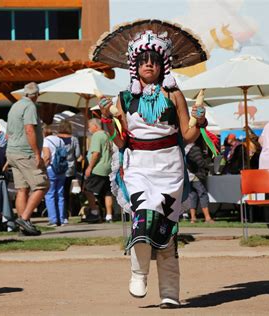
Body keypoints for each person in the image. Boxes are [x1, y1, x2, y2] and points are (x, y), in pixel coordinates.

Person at [95, 28, 207, 308]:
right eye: (143, 59)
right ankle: (138, 273)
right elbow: (120, 141)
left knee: (167, 230)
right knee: (143, 218)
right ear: (135, 64)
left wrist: (200, 122)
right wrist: (108, 122)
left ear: (163, 64)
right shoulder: (122, 98)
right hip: (138, 167)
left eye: (154, 60)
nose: (149, 64)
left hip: (169, 167)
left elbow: (188, 135)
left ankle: (170, 293)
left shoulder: (175, 95)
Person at [6, 82, 49, 236]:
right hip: (25, 152)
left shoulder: (15, 106)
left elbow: (8, 132)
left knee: (22, 189)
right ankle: (24, 219)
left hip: (12, 151)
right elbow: (29, 129)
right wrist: (37, 154)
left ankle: (23, 225)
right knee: (42, 185)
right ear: (36, 95)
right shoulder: (30, 106)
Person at [84, 118, 114, 223]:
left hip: (98, 168)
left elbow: (96, 153)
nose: (89, 129)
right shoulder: (107, 134)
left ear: (95, 126)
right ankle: (109, 215)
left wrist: (90, 167)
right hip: (108, 167)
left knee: (87, 189)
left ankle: (94, 212)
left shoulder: (97, 135)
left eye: (89, 126)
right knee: (107, 192)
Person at [42, 126, 67, 226]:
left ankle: (53, 219)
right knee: (60, 194)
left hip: (51, 168)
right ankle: (61, 218)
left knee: (50, 194)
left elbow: (47, 156)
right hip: (61, 169)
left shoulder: (45, 141)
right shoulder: (60, 140)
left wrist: (42, 167)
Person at [185, 140, 214, 223]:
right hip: (196, 175)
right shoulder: (195, 149)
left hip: (188, 175)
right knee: (203, 195)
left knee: (192, 196)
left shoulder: (185, 148)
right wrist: (208, 162)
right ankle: (207, 217)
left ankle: (193, 218)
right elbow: (200, 162)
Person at [57, 121, 81, 218]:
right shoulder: (74, 139)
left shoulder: (56, 138)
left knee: (59, 191)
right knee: (68, 191)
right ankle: (69, 211)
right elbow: (78, 154)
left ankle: (61, 212)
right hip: (70, 168)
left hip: (58, 168)